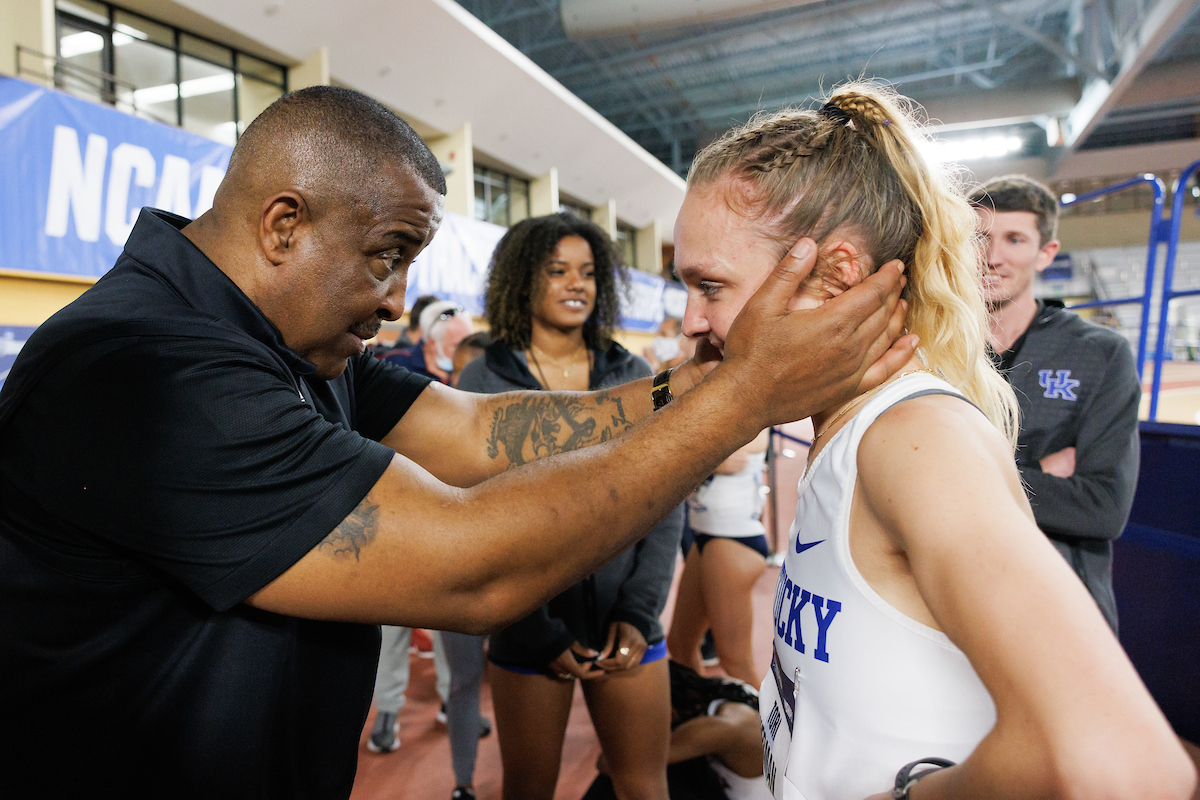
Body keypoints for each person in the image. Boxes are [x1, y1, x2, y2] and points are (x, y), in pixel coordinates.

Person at [0, 86, 917, 798]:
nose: (398, 298)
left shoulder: (285, 345)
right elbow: (474, 569)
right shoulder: (146, 369)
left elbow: (481, 431)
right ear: (285, 225)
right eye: (385, 255)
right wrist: (749, 394)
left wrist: (706, 380)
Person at [671, 83, 1195, 799]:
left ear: (835, 276)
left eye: (709, 285)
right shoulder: (846, 432)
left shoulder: (915, 440)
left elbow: (1124, 765)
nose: (689, 323)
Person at [456, 212, 683, 800]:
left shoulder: (633, 374)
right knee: (528, 790)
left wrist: (638, 611)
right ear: (522, 281)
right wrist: (538, 632)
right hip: (528, 633)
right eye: (557, 271)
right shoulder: (483, 380)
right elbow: (477, 517)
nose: (575, 284)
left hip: (625, 628)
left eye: (587, 272)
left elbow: (662, 502)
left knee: (643, 786)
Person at [970, 175, 1140, 632]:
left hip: (1058, 606)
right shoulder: (936, 348)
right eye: (980, 238)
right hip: (954, 598)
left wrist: (964, 480)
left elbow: (1103, 506)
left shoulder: (1100, 353)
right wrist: (1041, 472)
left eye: (1014, 239)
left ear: (1045, 252)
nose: (992, 257)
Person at [667, 429, 770, 685]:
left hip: (732, 539)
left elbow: (734, 455)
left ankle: (763, 725)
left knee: (735, 662)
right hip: (705, 534)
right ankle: (701, 718)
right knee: (679, 647)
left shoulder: (749, 401)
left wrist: (690, 458)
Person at [584, 661, 770, 800]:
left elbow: (611, 764)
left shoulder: (715, 729)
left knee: (633, 775)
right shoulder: (730, 691)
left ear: (669, 710)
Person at [384, 300, 474, 383]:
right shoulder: (396, 364)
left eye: (468, 345)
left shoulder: (471, 374)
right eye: (456, 345)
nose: (464, 351)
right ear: (432, 343)